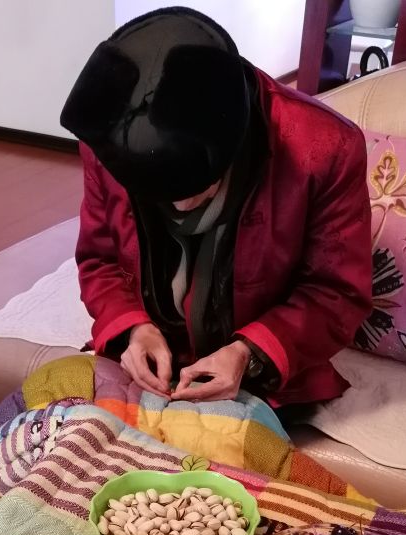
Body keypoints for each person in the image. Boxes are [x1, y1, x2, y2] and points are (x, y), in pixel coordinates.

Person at [60, 6, 372, 416]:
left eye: (196, 190)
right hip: (146, 367)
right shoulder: (111, 136)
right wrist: (133, 327)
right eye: (158, 197)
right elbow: (99, 260)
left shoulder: (325, 148)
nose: (179, 207)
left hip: (262, 373)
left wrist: (248, 352)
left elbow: (337, 293)